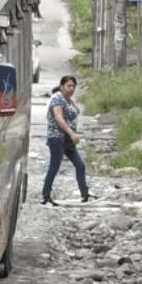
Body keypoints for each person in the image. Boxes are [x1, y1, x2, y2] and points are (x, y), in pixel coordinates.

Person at [41, 75, 92, 205]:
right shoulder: (58, 99)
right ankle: (46, 195)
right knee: (54, 166)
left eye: (73, 86)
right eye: (69, 86)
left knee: (80, 165)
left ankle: (85, 194)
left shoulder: (69, 100)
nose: (71, 88)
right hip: (57, 137)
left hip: (67, 140)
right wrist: (72, 133)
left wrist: (71, 135)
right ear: (62, 86)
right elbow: (59, 119)